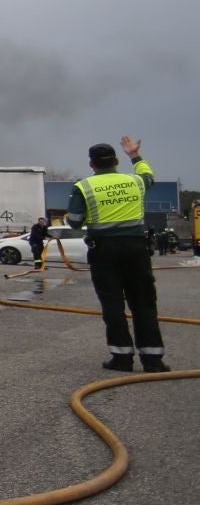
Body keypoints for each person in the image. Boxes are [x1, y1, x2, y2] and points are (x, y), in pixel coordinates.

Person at [65, 137, 169, 373]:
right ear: (116, 160)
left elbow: (74, 222)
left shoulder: (84, 186)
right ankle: (153, 360)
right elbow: (149, 175)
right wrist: (135, 155)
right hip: (136, 248)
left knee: (112, 304)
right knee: (144, 302)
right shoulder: (135, 181)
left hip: (104, 251)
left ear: (91, 164)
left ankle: (122, 358)